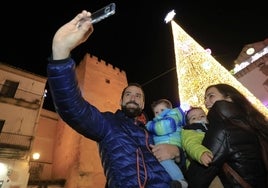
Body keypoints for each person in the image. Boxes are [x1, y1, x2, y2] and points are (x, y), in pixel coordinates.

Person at [46, 10, 183, 187]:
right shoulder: (107, 124)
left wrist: (177, 152)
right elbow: (73, 108)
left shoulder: (152, 131)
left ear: (142, 104)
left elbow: (180, 152)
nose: (133, 97)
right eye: (128, 94)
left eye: (138, 96)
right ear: (121, 101)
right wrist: (60, 51)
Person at [186, 83, 268, 188]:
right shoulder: (253, 124)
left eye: (211, 96)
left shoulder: (223, 129)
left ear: (229, 99)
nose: (206, 103)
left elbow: (197, 178)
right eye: (205, 99)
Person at [145, 99, 188, 188]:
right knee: (164, 164)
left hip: (170, 142)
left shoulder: (172, 117)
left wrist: (149, 125)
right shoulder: (159, 121)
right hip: (162, 145)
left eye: (162, 110)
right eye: (156, 112)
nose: (159, 114)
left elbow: (163, 128)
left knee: (166, 162)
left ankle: (181, 181)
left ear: (170, 110)